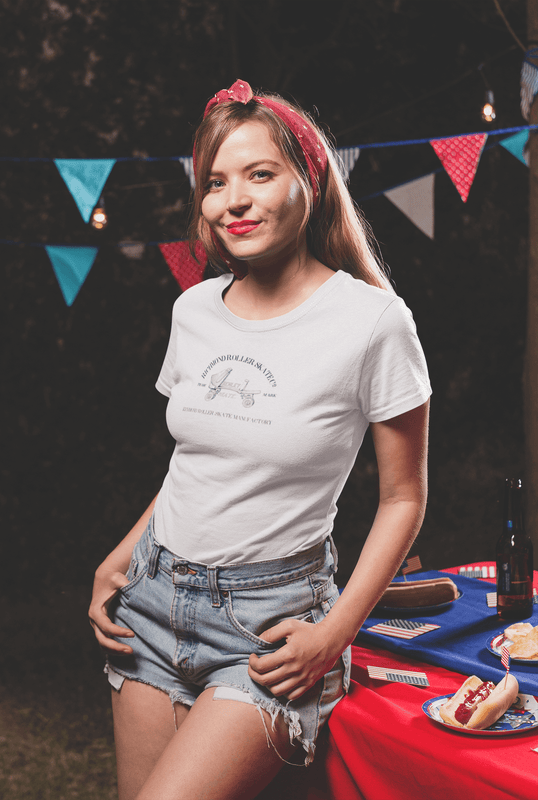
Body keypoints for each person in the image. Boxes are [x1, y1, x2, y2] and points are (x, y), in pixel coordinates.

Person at [89, 79, 431, 800]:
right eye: (215, 182)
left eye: (260, 174)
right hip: (151, 601)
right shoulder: (194, 310)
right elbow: (198, 466)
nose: (232, 200)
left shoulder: (372, 322)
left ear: (308, 181)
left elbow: (403, 498)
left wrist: (334, 632)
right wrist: (120, 558)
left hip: (270, 627)